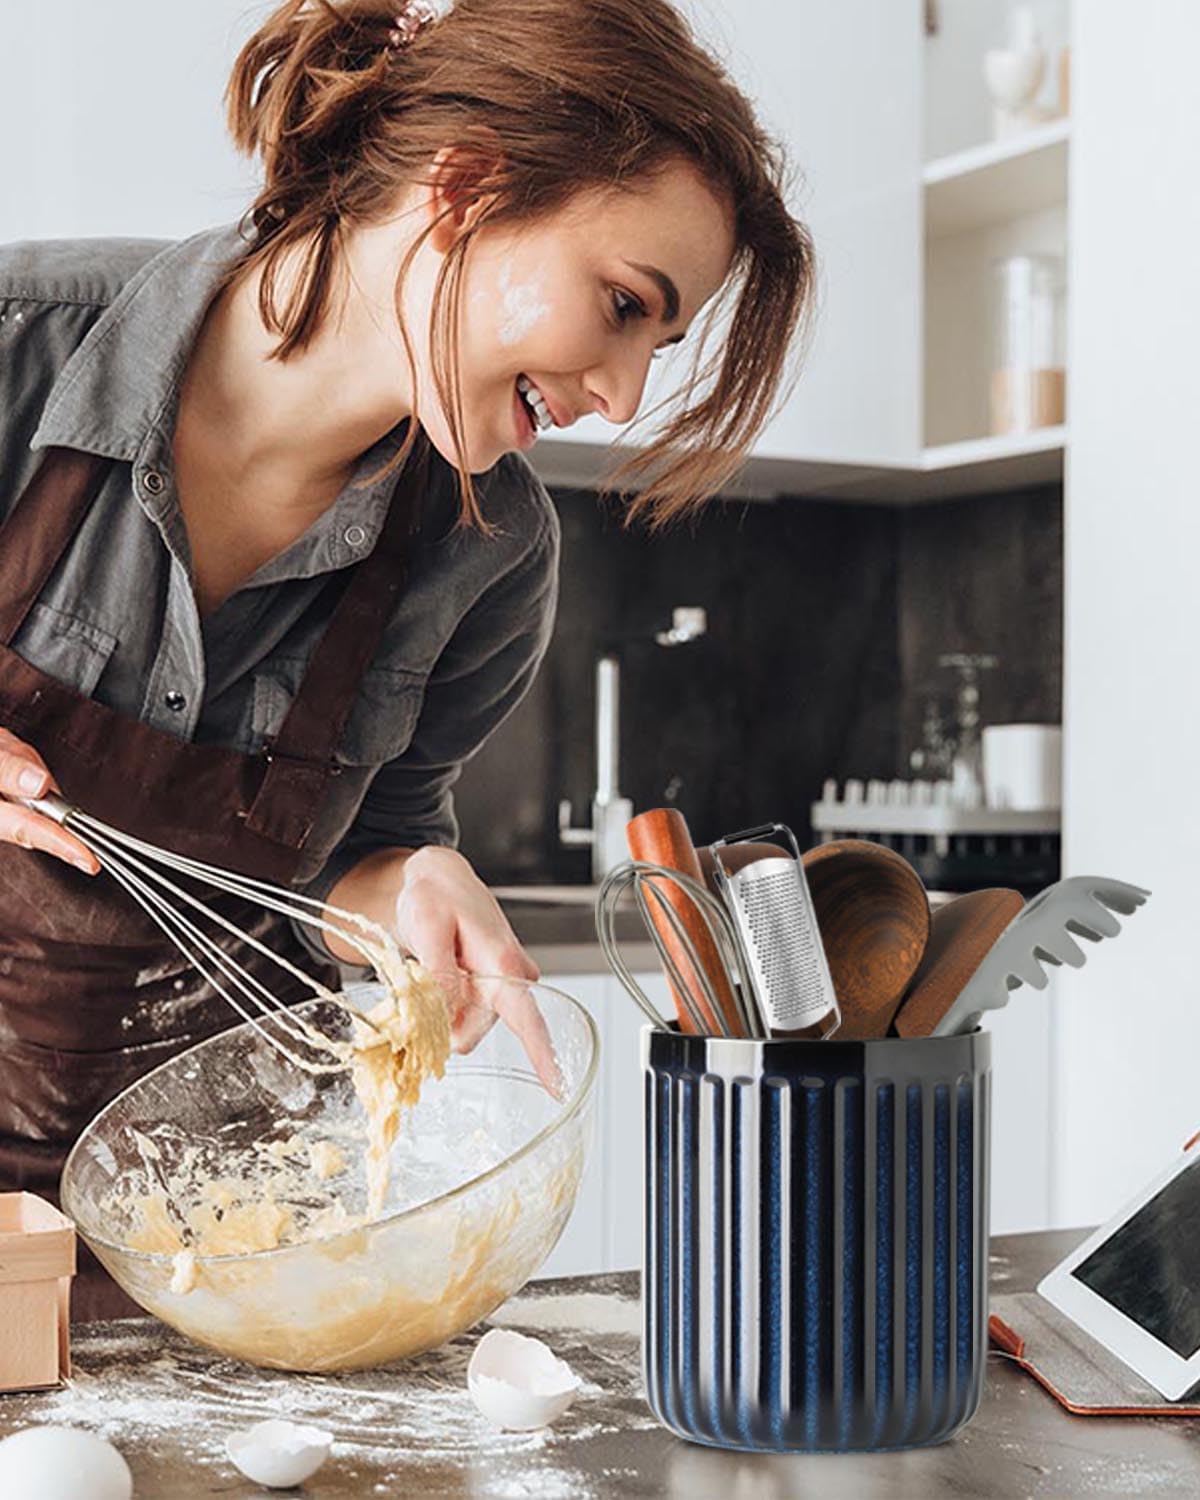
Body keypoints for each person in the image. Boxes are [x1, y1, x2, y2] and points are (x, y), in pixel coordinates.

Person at [0, 0, 814, 1315]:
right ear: (469, 185)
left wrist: (404, 882)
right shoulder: (17, 346)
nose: (621, 395)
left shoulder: (488, 556)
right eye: (622, 305)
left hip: (217, 1243)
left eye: (654, 348)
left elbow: (355, 858)